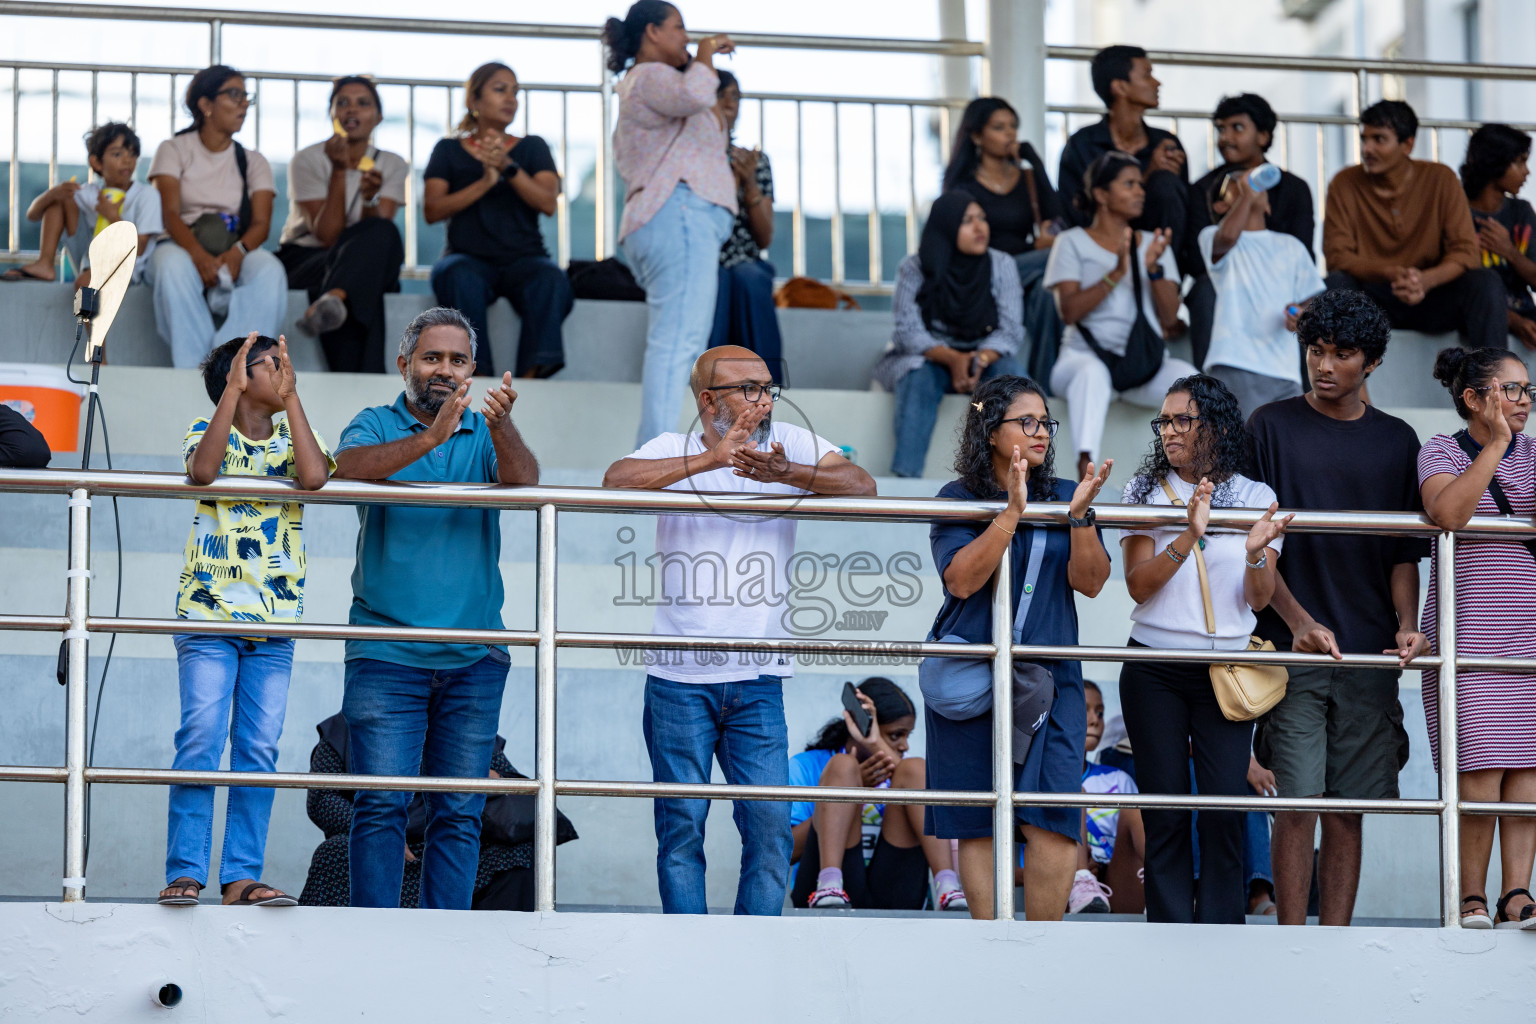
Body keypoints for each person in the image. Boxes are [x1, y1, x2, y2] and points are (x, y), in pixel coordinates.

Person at [602, 345, 874, 915]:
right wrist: (711, 460)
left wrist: (787, 473)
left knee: (771, 828)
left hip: (758, 679)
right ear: (708, 400)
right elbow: (613, 483)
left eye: (767, 386)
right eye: (747, 388)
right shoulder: (671, 449)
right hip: (676, 678)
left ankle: (754, 952)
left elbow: (862, 487)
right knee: (681, 830)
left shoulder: (789, 443)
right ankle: (690, 953)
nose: (763, 398)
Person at [331, 306, 540, 911]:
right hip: (385, 653)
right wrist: (430, 438)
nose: (443, 370)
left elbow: (525, 483)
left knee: (460, 807)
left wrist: (499, 427)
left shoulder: (484, 432)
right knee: (382, 804)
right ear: (404, 364)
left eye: (457, 360)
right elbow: (347, 468)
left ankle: (445, 938)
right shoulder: (374, 422)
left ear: (472, 370)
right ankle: (375, 936)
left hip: (474, 656)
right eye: (431, 357)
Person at [1248, 288, 1429, 928]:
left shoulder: (1398, 440)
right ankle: (1290, 940)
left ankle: (1336, 944)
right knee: (1295, 803)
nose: (1324, 365)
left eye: (1342, 354)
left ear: (1372, 363)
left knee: (1348, 807)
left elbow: (1403, 554)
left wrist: (1409, 626)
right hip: (1290, 649)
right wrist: (1297, 622)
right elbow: (1258, 543)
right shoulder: (1268, 425)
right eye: (1315, 351)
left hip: (1369, 650)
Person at [925, 374, 1113, 921]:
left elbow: (1093, 580)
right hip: (974, 672)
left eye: (1046, 423)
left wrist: (1078, 517)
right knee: (980, 819)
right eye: (1026, 422)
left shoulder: (1063, 494)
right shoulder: (958, 497)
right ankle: (989, 947)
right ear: (990, 431)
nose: (1041, 433)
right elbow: (961, 580)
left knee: (1052, 814)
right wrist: (1010, 511)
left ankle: (1041, 951)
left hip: (1052, 678)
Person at [156, 332, 333, 909]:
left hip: (274, 625)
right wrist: (229, 394)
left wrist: (294, 397)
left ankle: (239, 877)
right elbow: (203, 473)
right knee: (202, 739)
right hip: (208, 619)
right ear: (237, 375)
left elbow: (313, 478)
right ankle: (185, 871)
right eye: (271, 363)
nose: (285, 368)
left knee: (258, 749)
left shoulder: (292, 434)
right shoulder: (203, 430)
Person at [1117, 373, 1291, 924]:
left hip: (1226, 669)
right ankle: (1168, 925)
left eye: (1182, 420)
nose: (1169, 431)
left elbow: (1258, 598)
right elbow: (1138, 585)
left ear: (1214, 426)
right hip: (1153, 667)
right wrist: (1189, 534)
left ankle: (1222, 927)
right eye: (1164, 421)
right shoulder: (1144, 491)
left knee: (1223, 808)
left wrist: (1258, 553)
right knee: (1165, 808)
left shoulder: (1254, 496)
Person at [1419, 345, 1536, 930]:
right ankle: (1471, 896)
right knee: (1480, 771)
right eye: (1510, 390)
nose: (1523, 401)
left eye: (1526, 391)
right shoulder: (1440, 450)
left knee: (1528, 771)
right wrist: (1493, 447)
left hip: (1529, 638)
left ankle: (1517, 894)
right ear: (1473, 398)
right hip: (1469, 642)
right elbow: (1448, 514)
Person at [603, 1, 738, 446]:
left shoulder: (657, 82)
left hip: (676, 220)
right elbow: (697, 95)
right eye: (679, 27)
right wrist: (704, 55)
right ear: (652, 33)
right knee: (677, 344)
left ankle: (654, 453)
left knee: (680, 341)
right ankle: (654, 457)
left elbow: (702, 112)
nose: (686, 36)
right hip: (676, 216)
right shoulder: (650, 77)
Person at [298, 714, 577, 911]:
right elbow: (323, 798)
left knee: (518, 854)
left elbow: (502, 783)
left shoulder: (461, 722)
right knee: (334, 854)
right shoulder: (346, 728)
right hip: (382, 840)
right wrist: (380, 833)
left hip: (453, 836)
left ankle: (500, 951)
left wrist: (489, 777)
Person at [1046, 152, 1196, 480]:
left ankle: (1192, 475)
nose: (1140, 191)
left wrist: (1154, 270)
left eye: (1140, 184)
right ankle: (1086, 474)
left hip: (1142, 367)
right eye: (1129, 184)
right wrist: (1115, 273)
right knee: (1091, 374)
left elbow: (1170, 317)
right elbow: (1068, 311)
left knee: (1192, 385)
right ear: (1101, 194)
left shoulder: (1155, 245)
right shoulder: (1071, 242)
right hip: (1080, 359)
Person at [426, 62, 571, 379]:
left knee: (551, 279)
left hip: (525, 259)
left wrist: (508, 167)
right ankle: (479, 376)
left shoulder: (532, 146)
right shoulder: (448, 149)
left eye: (515, 92)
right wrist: (485, 183)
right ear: (474, 101)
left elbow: (548, 202)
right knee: (456, 275)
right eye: (500, 89)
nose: (511, 99)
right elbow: (432, 209)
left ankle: (530, 377)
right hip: (468, 258)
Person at [1322, 100, 1504, 349]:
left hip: (1433, 295)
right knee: (1335, 285)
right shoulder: (1343, 183)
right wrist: (1391, 272)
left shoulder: (1441, 179)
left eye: (1379, 139)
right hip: (1375, 300)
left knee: (1485, 282)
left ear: (1408, 144)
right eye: (1364, 139)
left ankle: (1495, 381)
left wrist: (1426, 280)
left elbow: (1466, 252)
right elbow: (1337, 256)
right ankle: (1339, 385)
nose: (1367, 149)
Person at [873, 191, 1025, 477]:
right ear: (946, 227)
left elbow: (1011, 329)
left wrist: (977, 360)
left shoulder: (1001, 264)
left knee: (1012, 378)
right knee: (918, 377)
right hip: (932, 358)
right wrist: (953, 358)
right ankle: (906, 476)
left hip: (985, 358)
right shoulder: (915, 266)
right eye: (967, 221)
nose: (980, 227)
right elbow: (907, 330)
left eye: (982, 218)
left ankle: (1015, 474)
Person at [147, 65, 287, 369]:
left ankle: (236, 363)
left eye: (246, 97)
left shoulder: (253, 160)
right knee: (173, 267)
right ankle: (197, 367)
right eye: (234, 95)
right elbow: (168, 213)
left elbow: (262, 224)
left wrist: (237, 252)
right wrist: (198, 255)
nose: (243, 104)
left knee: (270, 270)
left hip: (234, 247)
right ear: (206, 104)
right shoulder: (173, 149)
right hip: (179, 243)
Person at [788, 678, 967, 911]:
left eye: (907, 736)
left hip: (894, 888)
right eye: (895, 735)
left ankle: (948, 889)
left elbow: (949, 832)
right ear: (860, 725)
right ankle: (829, 883)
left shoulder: (907, 774)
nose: (904, 746)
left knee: (915, 767)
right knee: (843, 766)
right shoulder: (809, 765)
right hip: (821, 889)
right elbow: (786, 853)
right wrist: (851, 796)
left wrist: (875, 746)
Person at [276, 75, 407, 373]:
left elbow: (379, 236)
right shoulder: (308, 159)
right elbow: (327, 235)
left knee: (382, 235)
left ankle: (336, 297)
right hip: (307, 258)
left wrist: (370, 199)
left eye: (363, 103)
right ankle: (366, 379)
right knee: (363, 280)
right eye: (343, 103)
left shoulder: (392, 163)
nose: (352, 110)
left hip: (353, 263)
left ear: (378, 116)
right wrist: (338, 170)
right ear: (332, 113)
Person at [1184, 94, 1316, 369]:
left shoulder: (1294, 188)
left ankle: (1308, 400)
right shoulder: (1203, 189)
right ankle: (1207, 394)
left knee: (1313, 302)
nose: (1226, 138)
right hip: (1225, 287)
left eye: (1237, 128)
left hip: (1280, 291)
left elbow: (1303, 255)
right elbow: (1197, 261)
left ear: (1264, 136)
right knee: (1203, 289)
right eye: (1221, 129)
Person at [943, 97, 1065, 386]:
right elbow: (966, 240)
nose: (1010, 134)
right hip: (984, 270)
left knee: (1048, 296)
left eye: (1013, 126)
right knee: (1057, 255)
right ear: (976, 136)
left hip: (1024, 272)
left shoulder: (1026, 177)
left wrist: (1034, 162)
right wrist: (1032, 249)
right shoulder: (964, 184)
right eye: (999, 127)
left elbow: (1058, 217)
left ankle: (1040, 386)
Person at [1197, 168, 1326, 418]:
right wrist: (1248, 194)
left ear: (1268, 206)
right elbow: (1227, 236)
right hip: (1235, 363)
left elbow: (1312, 299)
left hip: (1285, 370)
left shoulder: (1291, 246)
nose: (1250, 184)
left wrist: (1301, 314)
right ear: (1222, 206)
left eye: (1256, 184)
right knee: (1240, 449)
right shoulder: (1212, 237)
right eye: (1236, 183)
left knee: (1283, 450)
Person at [1058, 45, 1189, 262]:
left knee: (1166, 183)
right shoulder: (1082, 145)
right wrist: (1149, 174)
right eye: (1147, 75)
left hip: (1156, 260)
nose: (1157, 83)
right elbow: (1079, 215)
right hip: (1098, 259)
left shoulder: (1166, 143)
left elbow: (1181, 210)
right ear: (1120, 87)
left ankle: (1164, 275)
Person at [2, 122, 161, 288]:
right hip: (90, 261)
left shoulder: (147, 195)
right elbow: (33, 215)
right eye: (118, 154)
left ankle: (86, 314)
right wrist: (52, 194)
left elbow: (140, 248)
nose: (127, 160)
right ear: (97, 162)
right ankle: (45, 264)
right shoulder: (91, 192)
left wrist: (113, 217)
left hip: (127, 267)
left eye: (133, 154)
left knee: (84, 283)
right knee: (60, 198)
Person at [707, 71, 782, 382]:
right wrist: (732, 180)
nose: (728, 102)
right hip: (705, 257)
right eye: (720, 94)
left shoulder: (755, 161)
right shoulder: (694, 158)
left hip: (744, 261)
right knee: (720, 280)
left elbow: (763, 238)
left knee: (748, 277)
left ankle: (767, 383)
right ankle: (709, 382)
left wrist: (749, 182)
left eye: (735, 96)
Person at [1071, 680, 1146, 915]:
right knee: (1073, 792)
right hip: (1055, 885)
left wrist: (1099, 867)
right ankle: (1081, 879)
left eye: (1100, 712)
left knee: (1134, 807)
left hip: (1115, 885)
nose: (1094, 720)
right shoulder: (1035, 779)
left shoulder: (1117, 779)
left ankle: (1171, 881)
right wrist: (1074, 864)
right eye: (1083, 711)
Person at [1461, 123, 1536, 350]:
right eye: (1520, 161)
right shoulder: (1458, 210)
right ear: (1497, 163)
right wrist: (1513, 321)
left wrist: (1510, 251)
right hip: (1475, 317)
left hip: (1526, 312)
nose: (1527, 171)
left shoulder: (1521, 211)